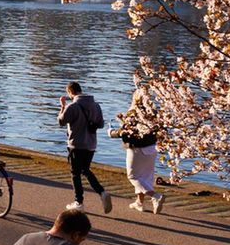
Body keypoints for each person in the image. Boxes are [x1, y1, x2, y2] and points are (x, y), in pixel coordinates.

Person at [58, 81, 112, 213]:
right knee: (85, 170)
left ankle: (79, 202)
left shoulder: (72, 106)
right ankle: (102, 192)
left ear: (70, 92)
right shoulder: (96, 105)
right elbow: (100, 124)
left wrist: (62, 107)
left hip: (76, 144)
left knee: (75, 173)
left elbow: (61, 121)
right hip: (91, 145)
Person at [114, 82, 165, 213]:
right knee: (145, 177)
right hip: (152, 148)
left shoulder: (132, 113)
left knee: (133, 176)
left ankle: (155, 196)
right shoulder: (154, 113)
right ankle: (139, 202)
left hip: (137, 149)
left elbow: (126, 132)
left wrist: (112, 133)